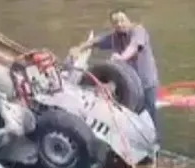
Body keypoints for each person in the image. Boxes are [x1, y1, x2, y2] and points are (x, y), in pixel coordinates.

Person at [69, 9, 161, 137]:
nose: (119, 24)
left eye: (122, 20)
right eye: (116, 22)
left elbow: (133, 47)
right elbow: (96, 41)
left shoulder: (138, 31)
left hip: (146, 83)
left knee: (150, 119)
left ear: (128, 20)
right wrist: (79, 48)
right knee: (132, 120)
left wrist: (121, 58)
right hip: (130, 86)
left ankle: (156, 146)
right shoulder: (114, 37)